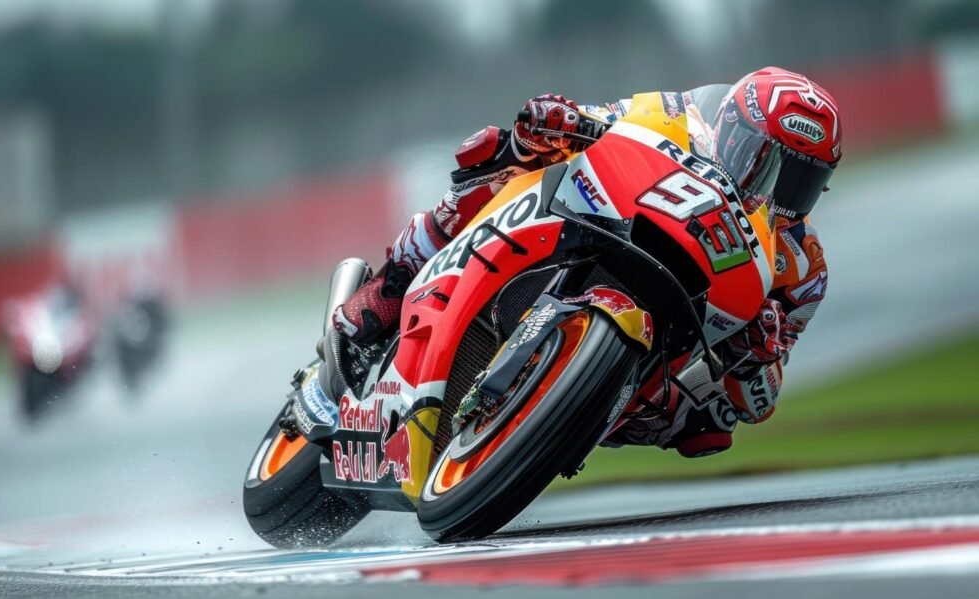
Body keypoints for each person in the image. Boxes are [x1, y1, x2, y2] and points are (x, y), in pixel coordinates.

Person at [333, 67, 840, 457]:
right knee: (502, 156)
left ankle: (565, 410)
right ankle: (392, 284)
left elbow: (758, 402)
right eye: (764, 160)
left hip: (667, 345)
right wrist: (560, 121)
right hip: (608, 224)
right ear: (731, 128)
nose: (776, 190)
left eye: (799, 180)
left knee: (712, 425)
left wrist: (759, 355)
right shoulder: (674, 114)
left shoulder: (803, 268)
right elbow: (595, 120)